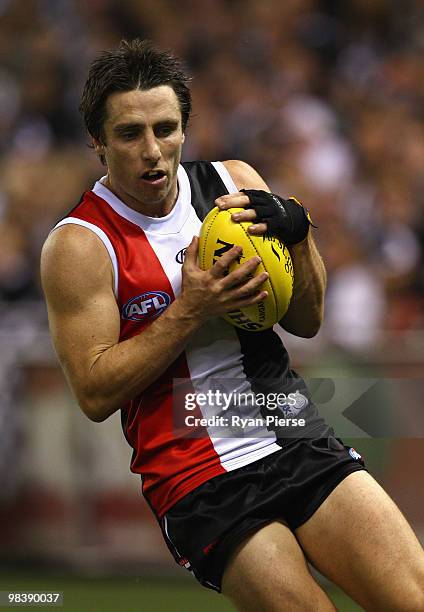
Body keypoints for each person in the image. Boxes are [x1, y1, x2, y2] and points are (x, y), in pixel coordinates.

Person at [40, 38, 424, 610]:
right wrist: (191, 309)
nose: (152, 150)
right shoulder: (79, 245)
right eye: (129, 134)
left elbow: (309, 320)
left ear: (184, 128)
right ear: (97, 141)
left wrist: (298, 233)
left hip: (288, 426)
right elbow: (94, 392)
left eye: (165, 129)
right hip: (195, 472)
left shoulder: (233, 184)